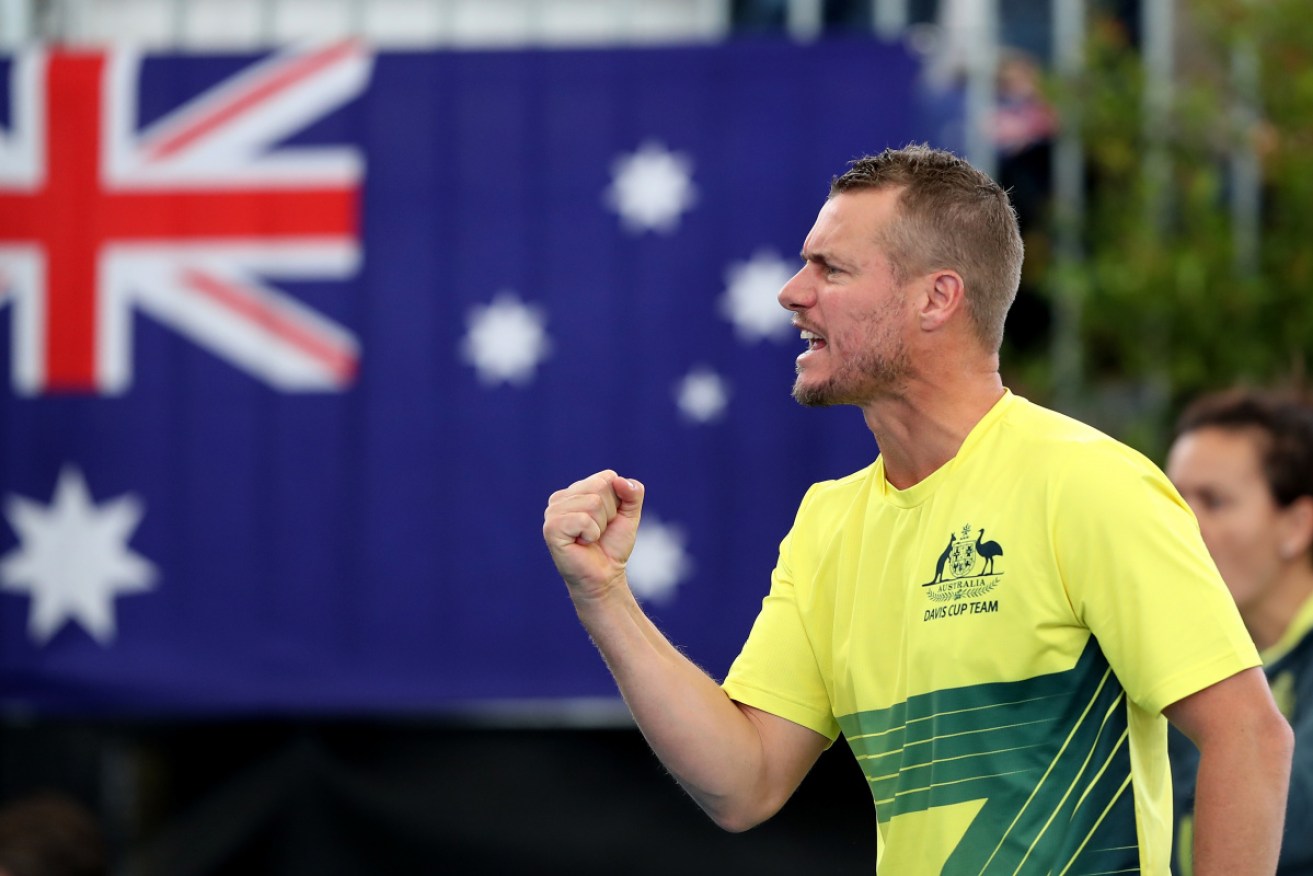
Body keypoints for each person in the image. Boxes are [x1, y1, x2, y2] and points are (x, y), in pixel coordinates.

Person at [542, 144, 1292, 873]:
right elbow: (745, 782)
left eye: (829, 268)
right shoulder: (829, 521)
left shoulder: (1086, 482)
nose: (791, 292)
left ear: (936, 297)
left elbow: (1249, 738)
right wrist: (604, 597)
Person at [1166, 390, 1313, 875]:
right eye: (1173, 500)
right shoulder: (1173, 663)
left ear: (1296, 525)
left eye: (1214, 500)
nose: (1182, 524)